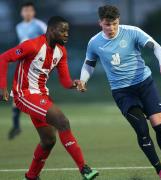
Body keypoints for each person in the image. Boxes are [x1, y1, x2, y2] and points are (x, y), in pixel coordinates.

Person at [79, 5, 161, 180]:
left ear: (119, 21)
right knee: (142, 130)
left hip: (144, 85)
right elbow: (89, 63)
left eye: (114, 24)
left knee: (160, 125)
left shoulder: (132, 32)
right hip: (122, 92)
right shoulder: (94, 42)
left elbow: (156, 47)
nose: (111, 28)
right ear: (100, 23)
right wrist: (83, 80)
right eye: (107, 24)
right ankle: (160, 171)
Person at [0, 16, 99, 180]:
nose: (66, 34)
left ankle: (31, 176)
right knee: (62, 121)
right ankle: (84, 169)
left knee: (48, 140)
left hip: (41, 95)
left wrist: (75, 84)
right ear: (51, 30)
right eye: (62, 30)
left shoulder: (61, 51)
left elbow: (65, 81)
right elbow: (4, 58)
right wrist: (2, 86)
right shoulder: (31, 45)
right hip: (24, 94)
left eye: (68, 31)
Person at [9, 1, 47, 140]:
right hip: (24, 62)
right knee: (19, 92)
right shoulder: (19, 26)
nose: (27, 13)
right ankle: (16, 125)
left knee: (31, 91)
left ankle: (45, 119)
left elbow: (49, 39)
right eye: (25, 11)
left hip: (36, 63)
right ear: (21, 12)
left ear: (33, 12)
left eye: (30, 11)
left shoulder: (40, 25)